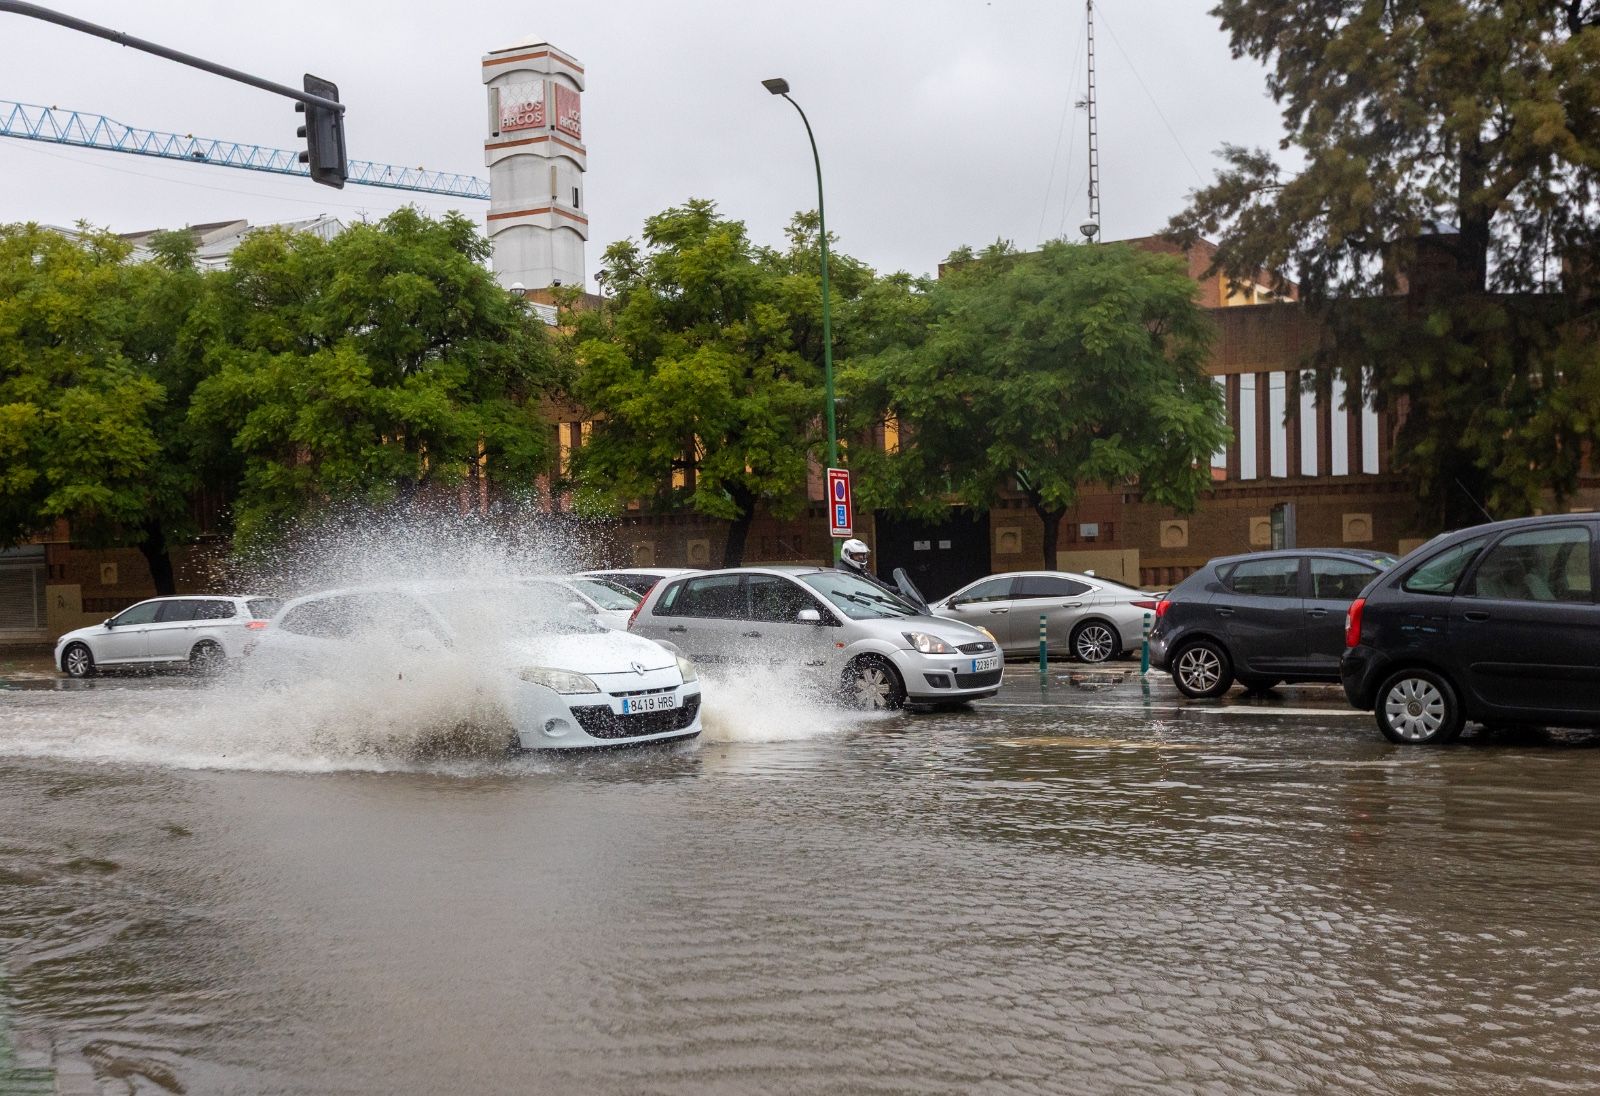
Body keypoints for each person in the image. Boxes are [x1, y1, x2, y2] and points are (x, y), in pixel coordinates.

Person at [835, 539, 902, 598]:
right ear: (847, 555)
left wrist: (895, 590)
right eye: (857, 554)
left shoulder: (861, 570)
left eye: (862, 554)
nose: (861, 557)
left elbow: (877, 583)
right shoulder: (842, 572)